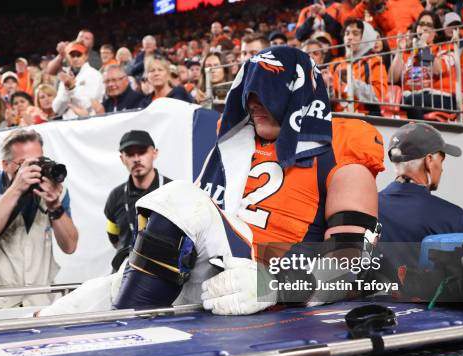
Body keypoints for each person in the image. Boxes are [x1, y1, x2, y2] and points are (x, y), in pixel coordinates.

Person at [39, 46, 384, 317]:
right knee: (64, 313)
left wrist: (274, 284)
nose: (253, 105)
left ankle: (130, 327)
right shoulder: (236, 141)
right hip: (217, 273)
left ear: (295, 93)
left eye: (266, 95)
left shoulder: (343, 144)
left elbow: (354, 262)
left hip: (270, 276)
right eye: (249, 94)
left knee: (179, 197)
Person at [0, 129, 78, 310]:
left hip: (39, 302)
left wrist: (55, 206)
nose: (34, 169)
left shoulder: (54, 189)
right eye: (24, 163)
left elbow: (70, 246)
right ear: (6, 164)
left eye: (38, 162)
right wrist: (16, 189)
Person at [379, 122, 463, 243]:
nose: (441, 169)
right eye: (441, 161)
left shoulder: (369, 207)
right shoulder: (455, 219)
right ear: (429, 161)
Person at [105, 130, 172, 252]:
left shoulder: (173, 191)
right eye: (130, 154)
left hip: (164, 268)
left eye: (142, 152)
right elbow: (113, 236)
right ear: (122, 159)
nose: (136, 159)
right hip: (125, 267)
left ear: (155, 153)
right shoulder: (115, 196)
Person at [389, 11, 458, 120]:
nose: (424, 28)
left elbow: (438, 70)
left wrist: (425, 47)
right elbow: (393, 78)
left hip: (442, 97)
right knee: (397, 102)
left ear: (436, 32)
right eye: (421, 24)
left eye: (429, 25)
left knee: (411, 101)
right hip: (412, 97)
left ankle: (418, 132)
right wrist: (399, 51)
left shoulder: (447, 49)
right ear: (416, 28)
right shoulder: (409, 53)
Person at [330, 19, 388, 116]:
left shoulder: (374, 63)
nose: (349, 37)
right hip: (336, 118)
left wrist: (352, 82)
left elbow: (378, 96)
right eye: (347, 33)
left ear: (365, 39)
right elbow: (329, 98)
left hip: (364, 118)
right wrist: (328, 87)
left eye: (355, 34)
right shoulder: (335, 64)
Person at [52, 41, 104, 120]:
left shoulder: (94, 75)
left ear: (86, 56)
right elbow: (57, 109)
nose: (75, 58)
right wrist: (67, 92)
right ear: (68, 57)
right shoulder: (66, 75)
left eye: (79, 55)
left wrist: (71, 89)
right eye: (72, 55)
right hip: (67, 123)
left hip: (89, 121)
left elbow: (88, 105)